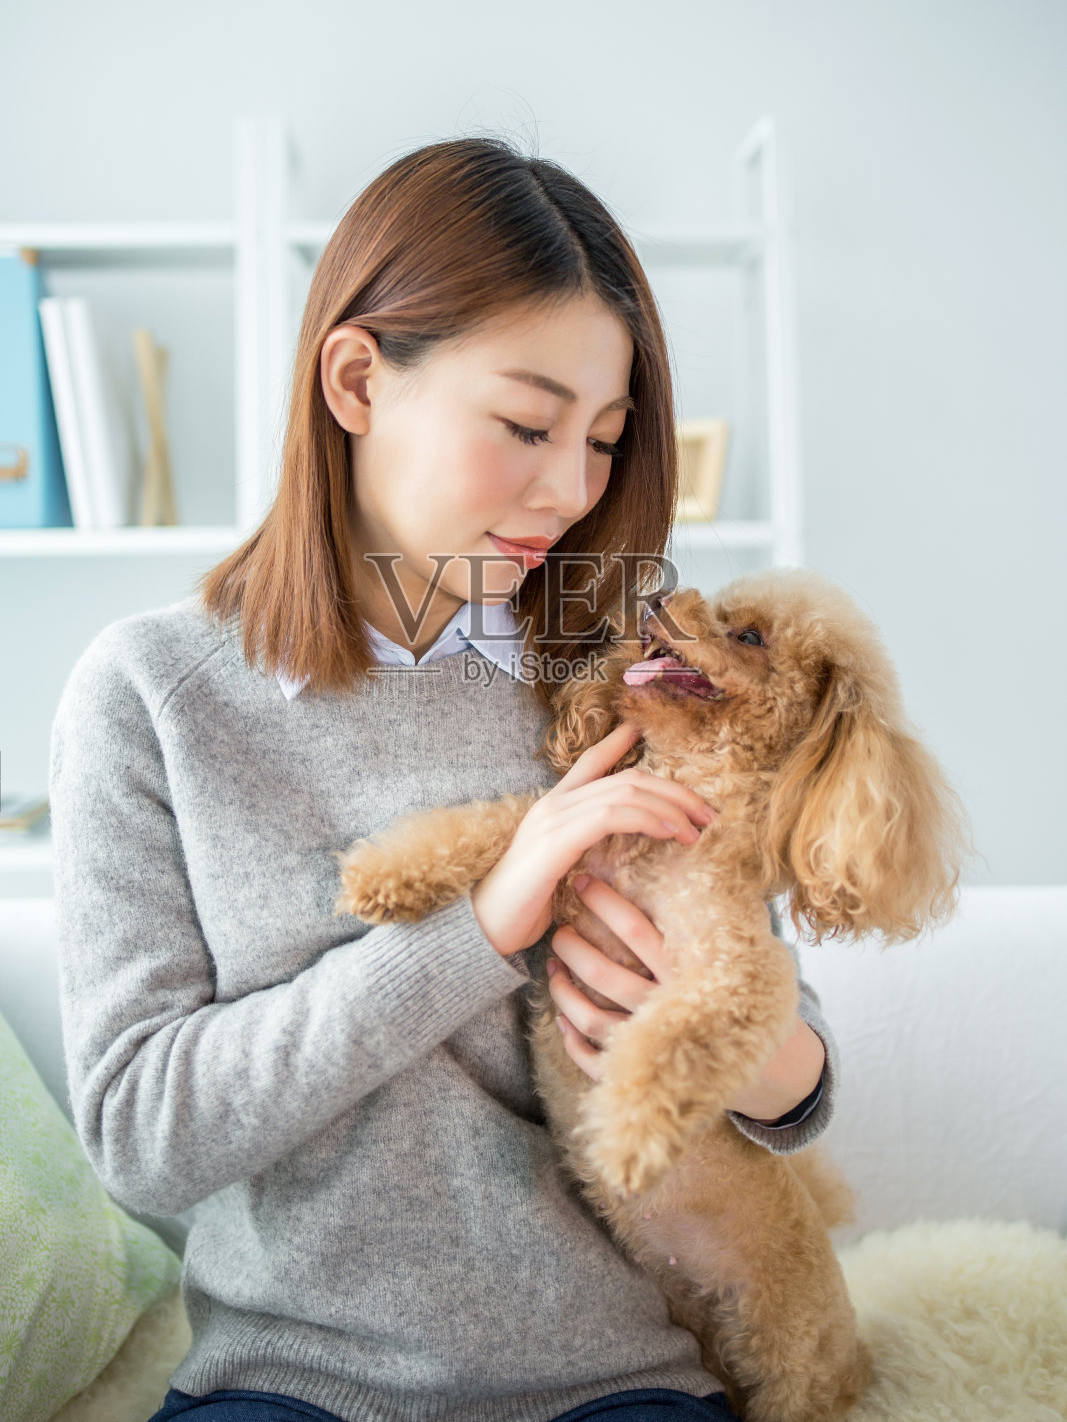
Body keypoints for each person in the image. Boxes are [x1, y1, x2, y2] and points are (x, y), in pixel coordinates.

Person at [49, 136, 836, 1422]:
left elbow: (793, 1075)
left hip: (617, 1383)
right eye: (526, 424)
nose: (571, 489)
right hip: (291, 1384)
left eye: (603, 436)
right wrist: (476, 925)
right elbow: (143, 1135)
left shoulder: (635, 664)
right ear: (357, 380)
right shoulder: (152, 698)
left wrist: (771, 1061)